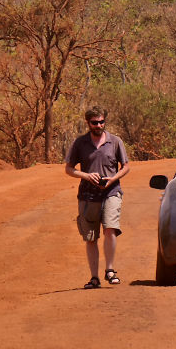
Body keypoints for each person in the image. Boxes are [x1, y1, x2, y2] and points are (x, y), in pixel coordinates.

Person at [64, 106, 130, 289]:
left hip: (111, 191)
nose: (99, 125)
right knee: (91, 237)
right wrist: (85, 175)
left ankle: (110, 270)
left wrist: (113, 179)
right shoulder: (80, 143)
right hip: (87, 195)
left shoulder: (115, 141)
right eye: (95, 122)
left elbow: (126, 166)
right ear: (88, 123)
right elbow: (68, 169)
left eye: (101, 122)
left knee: (110, 228)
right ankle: (94, 278)